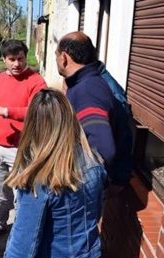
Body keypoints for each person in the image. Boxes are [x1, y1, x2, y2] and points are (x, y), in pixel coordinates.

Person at [3, 89, 107, 258]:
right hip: (82, 257)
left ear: (32, 125)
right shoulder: (94, 161)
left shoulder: (38, 178)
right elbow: (93, 214)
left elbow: (23, 243)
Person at [0, 39, 47, 240]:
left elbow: (37, 111)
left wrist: (6, 112)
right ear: (4, 59)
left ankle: (22, 231)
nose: (16, 64)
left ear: (25, 57)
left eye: (20, 59)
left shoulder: (36, 82)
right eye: (12, 59)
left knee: (21, 194)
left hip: (21, 149)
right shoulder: (0, 80)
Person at [55, 31, 132, 187]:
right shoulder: (86, 82)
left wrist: (77, 179)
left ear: (64, 57)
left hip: (86, 185)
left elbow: (104, 149)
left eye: (56, 55)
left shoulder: (87, 91)